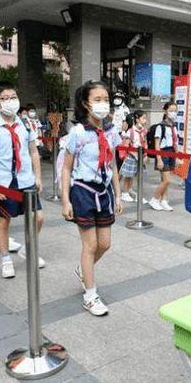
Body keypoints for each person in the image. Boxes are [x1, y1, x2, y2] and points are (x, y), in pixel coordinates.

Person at [61, 80, 123, 316]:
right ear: (86, 103)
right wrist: (65, 200)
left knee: (105, 244)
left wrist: (118, 195)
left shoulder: (111, 130)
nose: (103, 104)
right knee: (91, 245)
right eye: (97, 100)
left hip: (103, 191)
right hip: (83, 192)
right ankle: (90, 295)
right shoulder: (77, 132)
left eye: (105, 99)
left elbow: (113, 164)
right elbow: (66, 168)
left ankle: (82, 271)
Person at [0, 82, 45, 278]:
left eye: (14, 97)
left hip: (26, 180)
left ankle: (27, 249)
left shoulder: (26, 124)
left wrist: (38, 176)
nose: (11, 101)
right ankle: (6, 259)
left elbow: (33, 151)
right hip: (4, 181)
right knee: (2, 222)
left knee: (38, 218)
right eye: (6, 98)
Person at [149, 102, 178, 211]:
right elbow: (157, 144)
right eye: (171, 110)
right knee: (167, 180)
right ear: (165, 111)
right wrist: (159, 159)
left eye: (175, 110)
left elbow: (175, 142)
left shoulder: (173, 126)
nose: (173, 113)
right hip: (163, 152)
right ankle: (155, 199)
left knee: (164, 179)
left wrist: (177, 156)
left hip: (171, 152)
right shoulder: (160, 126)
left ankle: (164, 200)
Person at [120, 110, 147, 203]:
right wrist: (134, 154)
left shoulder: (144, 131)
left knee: (139, 176)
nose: (145, 120)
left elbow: (145, 143)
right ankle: (125, 193)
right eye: (143, 118)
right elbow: (126, 145)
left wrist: (145, 155)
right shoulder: (131, 131)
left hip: (141, 156)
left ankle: (138, 195)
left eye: (145, 118)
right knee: (128, 176)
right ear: (137, 119)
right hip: (132, 157)